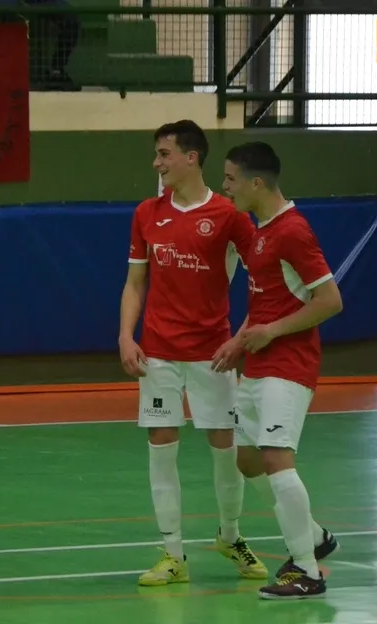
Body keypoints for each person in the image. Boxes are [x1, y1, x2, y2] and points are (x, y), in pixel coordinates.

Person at [119, 119, 267, 587]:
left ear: (191, 157)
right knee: (161, 445)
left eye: (164, 154)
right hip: (158, 352)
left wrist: (240, 338)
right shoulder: (147, 213)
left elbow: (266, 282)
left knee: (226, 447)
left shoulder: (229, 215)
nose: (156, 163)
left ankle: (230, 536)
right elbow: (135, 282)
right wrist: (125, 336)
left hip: (213, 353)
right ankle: (172, 554)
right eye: (156, 154)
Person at [217, 141, 343, 599]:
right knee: (245, 456)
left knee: (275, 457)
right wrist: (239, 340)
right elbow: (265, 303)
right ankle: (314, 536)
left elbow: (330, 300)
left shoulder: (293, 231)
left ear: (256, 183)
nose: (224, 186)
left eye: (230, 179)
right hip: (258, 363)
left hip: (289, 365)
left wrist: (272, 332)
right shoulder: (260, 233)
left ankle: (307, 570)